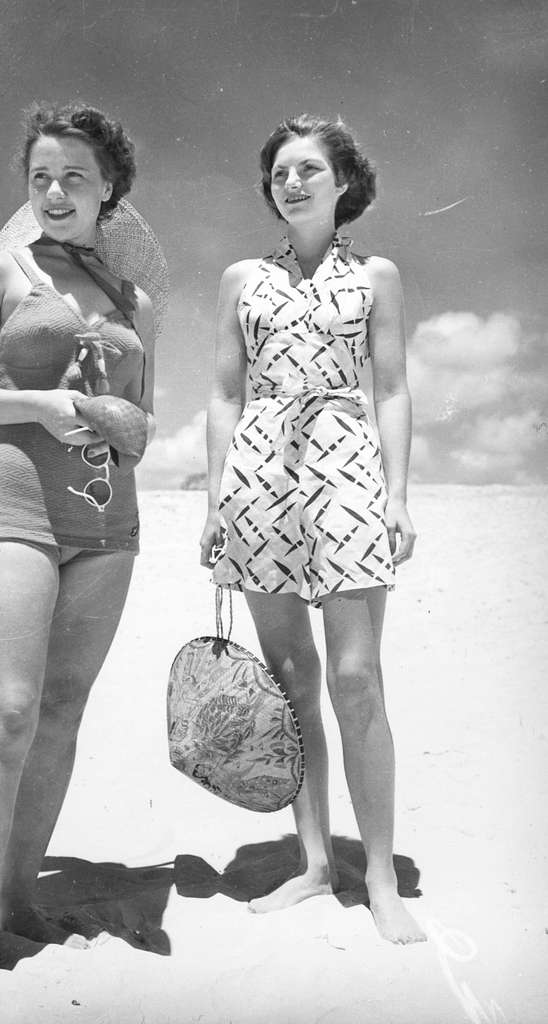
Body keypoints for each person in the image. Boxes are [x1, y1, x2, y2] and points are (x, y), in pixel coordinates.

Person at [0, 102, 156, 1024]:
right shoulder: (0, 271)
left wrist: (116, 417)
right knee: (4, 714)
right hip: (15, 505)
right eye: (40, 177)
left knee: (60, 712)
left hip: (112, 526)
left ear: (109, 190)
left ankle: (16, 899)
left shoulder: (139, 303)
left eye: (74, 177)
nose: (54, 192)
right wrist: (40, 405)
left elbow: (146, 422)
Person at [200, 114, 426, 945]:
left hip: (347, 465)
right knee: (291, 677)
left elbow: (393, 388)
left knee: (357, 676)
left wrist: (398, 494)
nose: (291, 183)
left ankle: (378, 876)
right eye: (279, 172)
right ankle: (314, 863)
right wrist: (216, 503)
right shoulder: (239, 280)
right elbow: (225, 394)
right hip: (259, 473)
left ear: (343, 184)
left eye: (308, 170)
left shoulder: (377, 276)